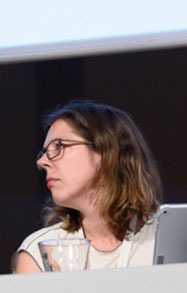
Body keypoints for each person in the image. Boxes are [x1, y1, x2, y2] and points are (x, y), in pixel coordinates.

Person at [15, 100, 163, 272]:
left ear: (104, 151)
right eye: (45, 151)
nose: (41, 162)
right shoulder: (40, 252)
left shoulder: (166, 237)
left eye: (59, 146)